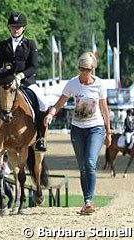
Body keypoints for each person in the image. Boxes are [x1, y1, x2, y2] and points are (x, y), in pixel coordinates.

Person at [44, 52, 112, 214]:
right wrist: (50, 114)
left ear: (92, 69)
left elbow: (104, 109)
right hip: (77, 129)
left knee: (89, 162)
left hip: (96, 128)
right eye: (81, 69)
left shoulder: (100, 85)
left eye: (87, 69)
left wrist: (108, 132)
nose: (84, 72)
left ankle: (90, 200)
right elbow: (60, 103)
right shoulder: (73, 84)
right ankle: (86, 201)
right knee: (82, 166)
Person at [0, 11, 49, 152]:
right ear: (9, 28)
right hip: (6, 81)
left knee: (43, 103)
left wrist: (20, 76)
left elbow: (33, 66)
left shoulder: (30, 44)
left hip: (26, 81)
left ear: (24, 28)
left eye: (18, 26)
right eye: (13, 26)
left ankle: (40, 138)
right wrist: (3, 74)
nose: (16, 29)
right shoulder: (3, 45)